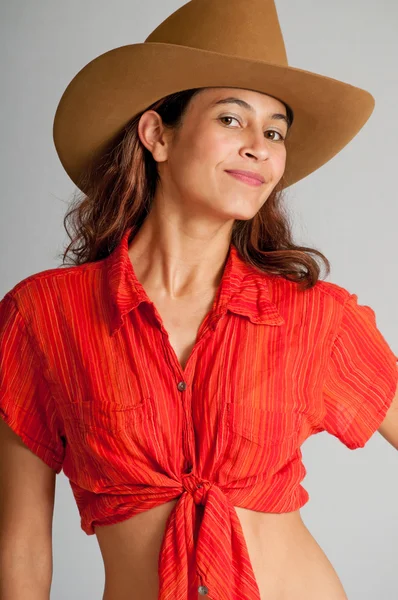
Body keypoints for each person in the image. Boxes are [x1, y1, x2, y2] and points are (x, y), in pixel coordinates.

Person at [1, 0, 397, 599]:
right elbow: (23, 546)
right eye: (233, 119)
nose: (260, 148)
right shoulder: (44, 316)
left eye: (274, 132)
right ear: (158, 134)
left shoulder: (315, 316)